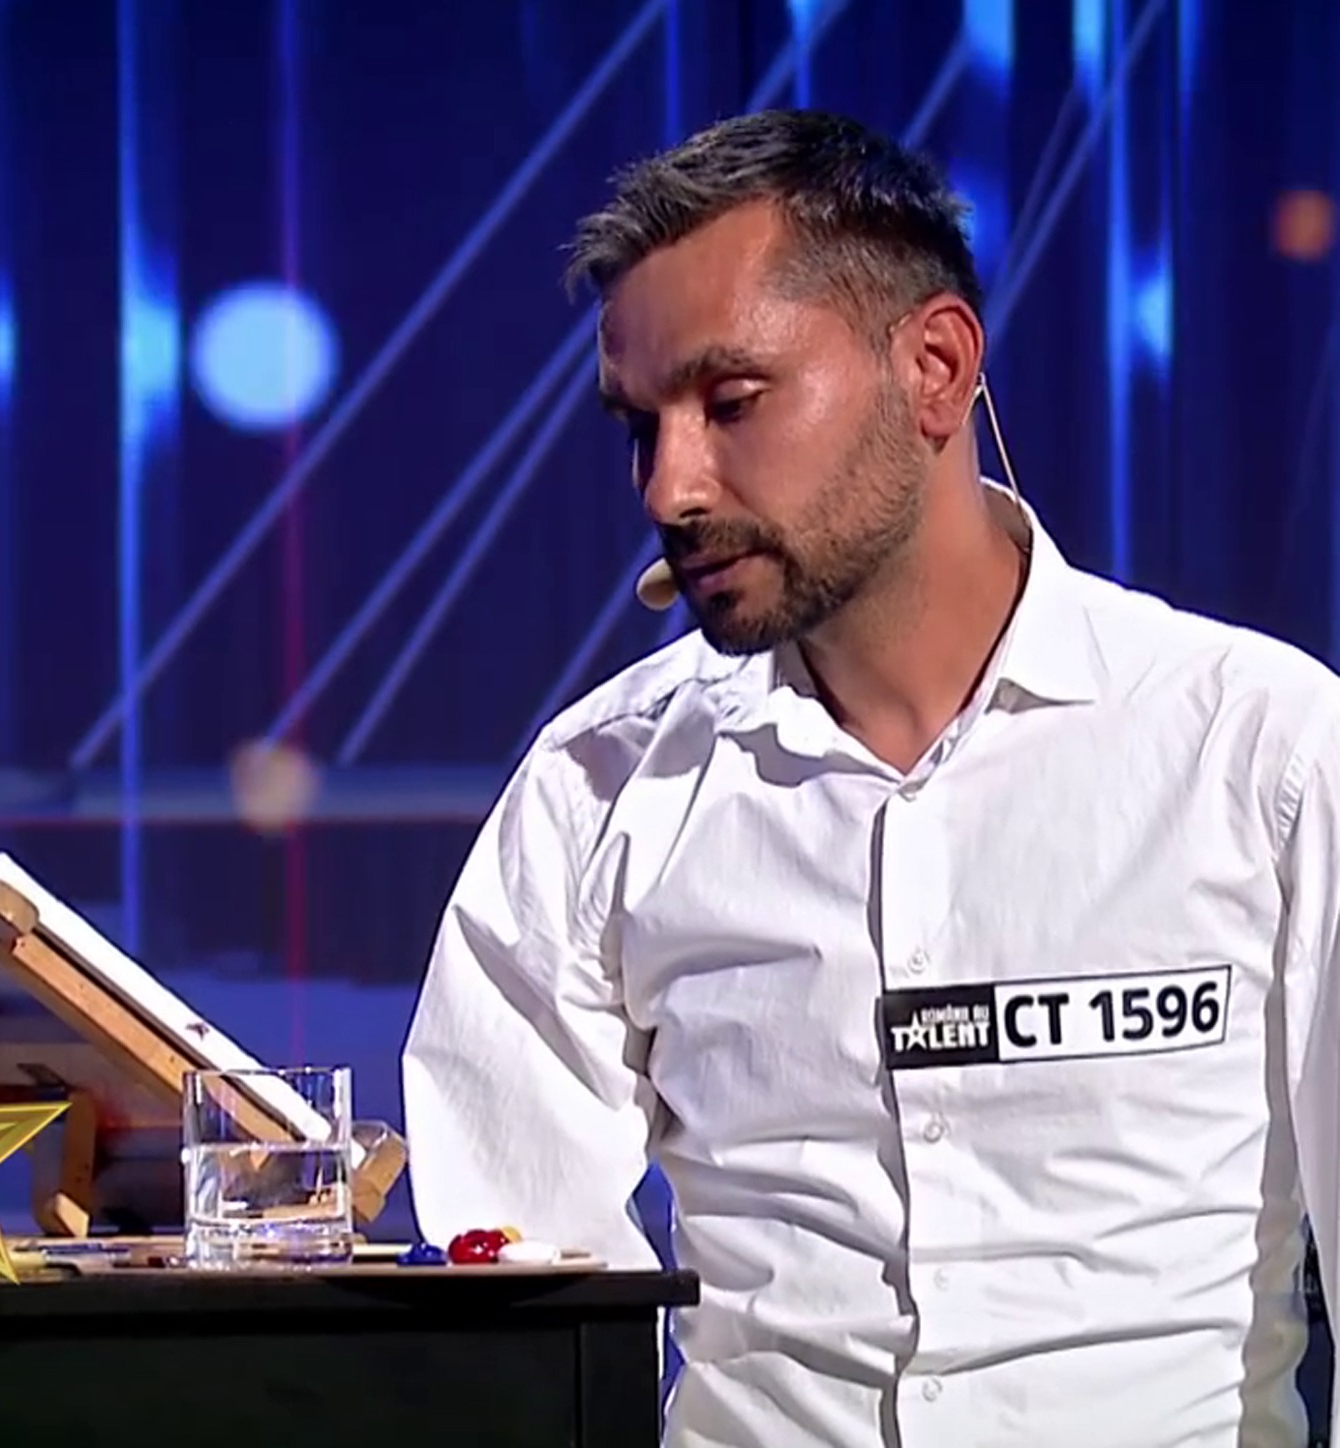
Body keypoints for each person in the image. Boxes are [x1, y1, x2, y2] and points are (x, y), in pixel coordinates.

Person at [400, 108, 1340, 1448]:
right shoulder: (597, 789)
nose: (670, 487)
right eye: (640, 426)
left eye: (732, 403)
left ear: (936, 369)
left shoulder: (1264, 750)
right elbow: (523, 1304)